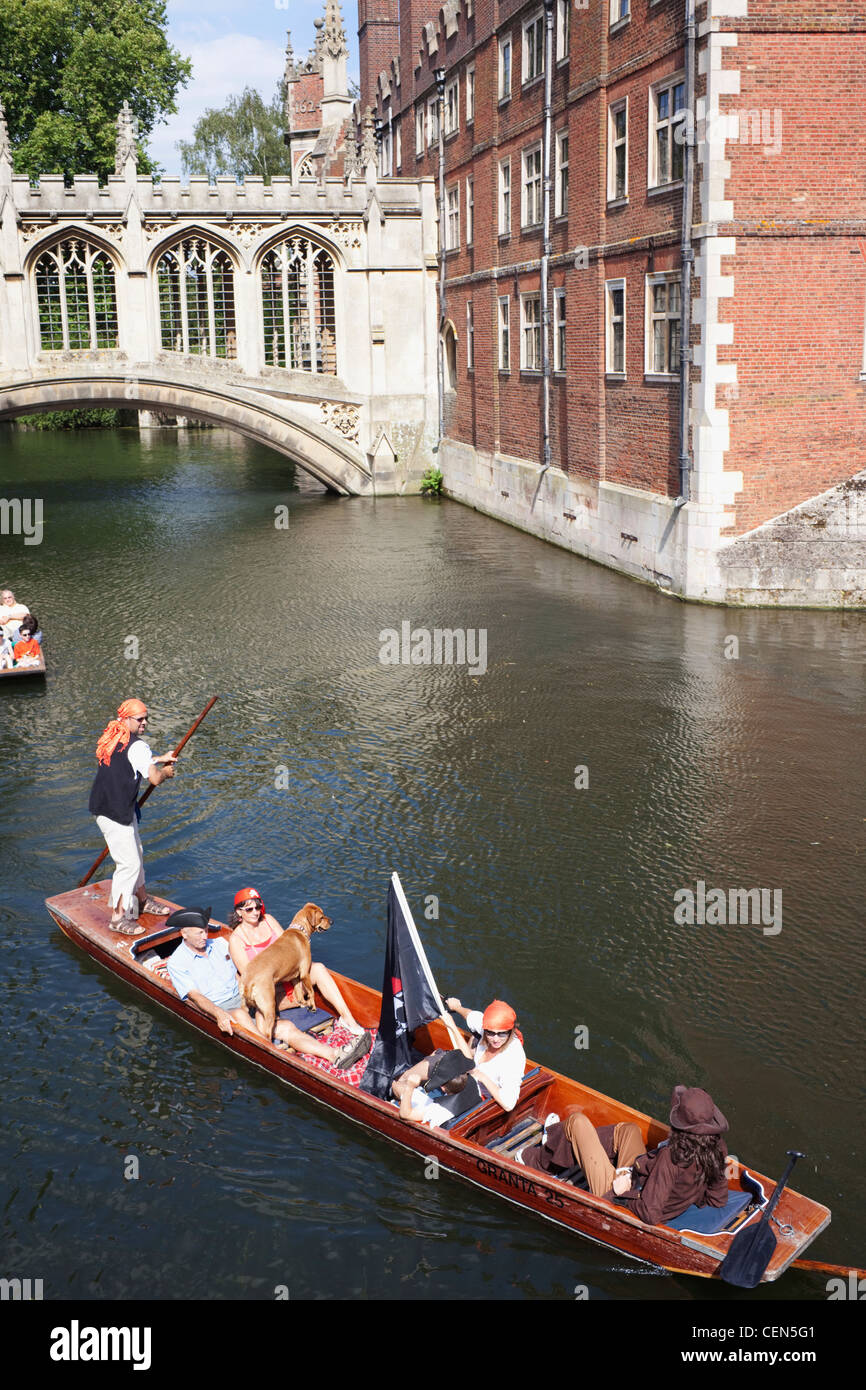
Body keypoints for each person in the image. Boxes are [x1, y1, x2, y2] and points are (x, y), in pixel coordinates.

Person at [166, 906, 371, 1070]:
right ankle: (269, 1054)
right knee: (241, 1014)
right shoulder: (177, 962)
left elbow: (244, 973)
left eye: (206, 930)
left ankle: (335, 1055)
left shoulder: (219, 944)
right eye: (199, 933)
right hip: (220, 1007)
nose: (205, 936)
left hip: (246, 999)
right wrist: (219, 1013)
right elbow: (194, 997)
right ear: (184, 933)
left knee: (287, 1027)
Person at [521, 1085, 730, 1227]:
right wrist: (689, 1195)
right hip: (637, 1177)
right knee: (629, 1130)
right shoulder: (717, 1147)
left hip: (617, 1195)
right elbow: (718, 1198)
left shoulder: (671, 1157)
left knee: (577, 1122)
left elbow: (650, 1213)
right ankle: (558, 1141)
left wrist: (619, 1192)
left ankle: (539, 1160)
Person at [88, 699, 178, 935]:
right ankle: (117, 919)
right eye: (140, 719)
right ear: (126, 719)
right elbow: (155, 779)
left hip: (107, 807)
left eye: (146, 718)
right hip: (115, 813)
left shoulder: (115, 736)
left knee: (135, 853)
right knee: (128, 864)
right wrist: (165, 772)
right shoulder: (138, 746)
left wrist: (158, 759)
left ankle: (142, 900)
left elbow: (132, 760)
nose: (145, 723)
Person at [227, 886, 366, 1036]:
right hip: (269, 987)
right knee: (265, 1005)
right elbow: (251, 977)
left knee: (318, 969)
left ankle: (348, 1019)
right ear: (239, 912)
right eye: (249, 909)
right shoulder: (236, 940)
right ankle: (280, 1022)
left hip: (289, 976)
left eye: (258, 907)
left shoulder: (268, 920)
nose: (255, 912)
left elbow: (290, 948)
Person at [442, 996, 526, 1114]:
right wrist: (457, 1007)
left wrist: (481, 1076)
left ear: (511, 1030)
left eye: (501, 1034)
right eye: (490, 1033)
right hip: (468, 1079)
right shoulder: (487, 1026)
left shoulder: (513, 1057)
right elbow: (471, 1015)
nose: (495, 1039)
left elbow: (509, 1104)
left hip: (478, 1102)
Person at [393, 1047, 477, 1127]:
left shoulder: (438, 1110)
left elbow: (405, 1114)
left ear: (443, 1088)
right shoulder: (472, 1081)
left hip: (439, 1117)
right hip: (457, 1111)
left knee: (396, 1085)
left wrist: (410, 1087)